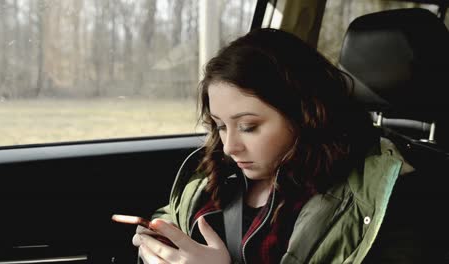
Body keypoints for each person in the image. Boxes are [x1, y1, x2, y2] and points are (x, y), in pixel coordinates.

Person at [131, 28, 412, 264]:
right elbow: (170, 216)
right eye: (220, 125)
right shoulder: (214, 177)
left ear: (305, 115)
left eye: (248, 127)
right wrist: (158, 245)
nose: (229, 147)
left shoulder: (378, 202)